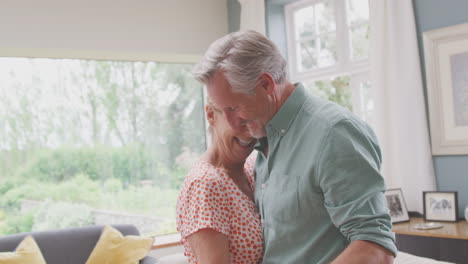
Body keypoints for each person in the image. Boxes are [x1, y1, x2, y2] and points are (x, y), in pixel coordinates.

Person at [192, 30, 397, 264]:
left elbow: (375, 247)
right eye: (222, 109)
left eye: (235, 107)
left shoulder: (334, 133)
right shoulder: (262, 141)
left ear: (266, 84)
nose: (230, 123)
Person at [176, 99, 263, 264]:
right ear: (211, 115)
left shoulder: (251, 169)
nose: (250, 131)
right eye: (240, 119)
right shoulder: (205, 184)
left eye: (255, 119)